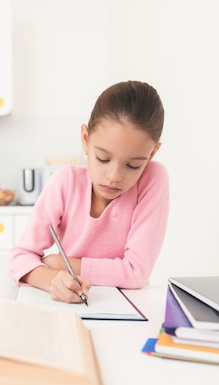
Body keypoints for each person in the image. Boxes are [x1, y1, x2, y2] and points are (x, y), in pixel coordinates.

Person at [9, 80, 169, 303]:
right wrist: (50, 280)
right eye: (103, 158)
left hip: (130, 307)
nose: (114, 176)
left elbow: (136, 273)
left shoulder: (153, 179)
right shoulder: (65, 181)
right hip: (68, 306)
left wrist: (64, 263)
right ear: (85, 139)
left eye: (133, 165)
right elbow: (20, 256)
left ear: (152, 154)